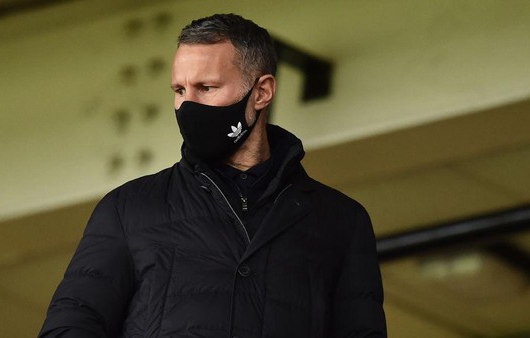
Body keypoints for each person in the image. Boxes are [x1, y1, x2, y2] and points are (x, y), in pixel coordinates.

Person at [39, 13, 386, 338]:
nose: (188, 106)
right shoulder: (128, 209)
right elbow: (71, 325)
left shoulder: (341, 221)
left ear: (261, 92)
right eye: (179, 91)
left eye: (206, 88)